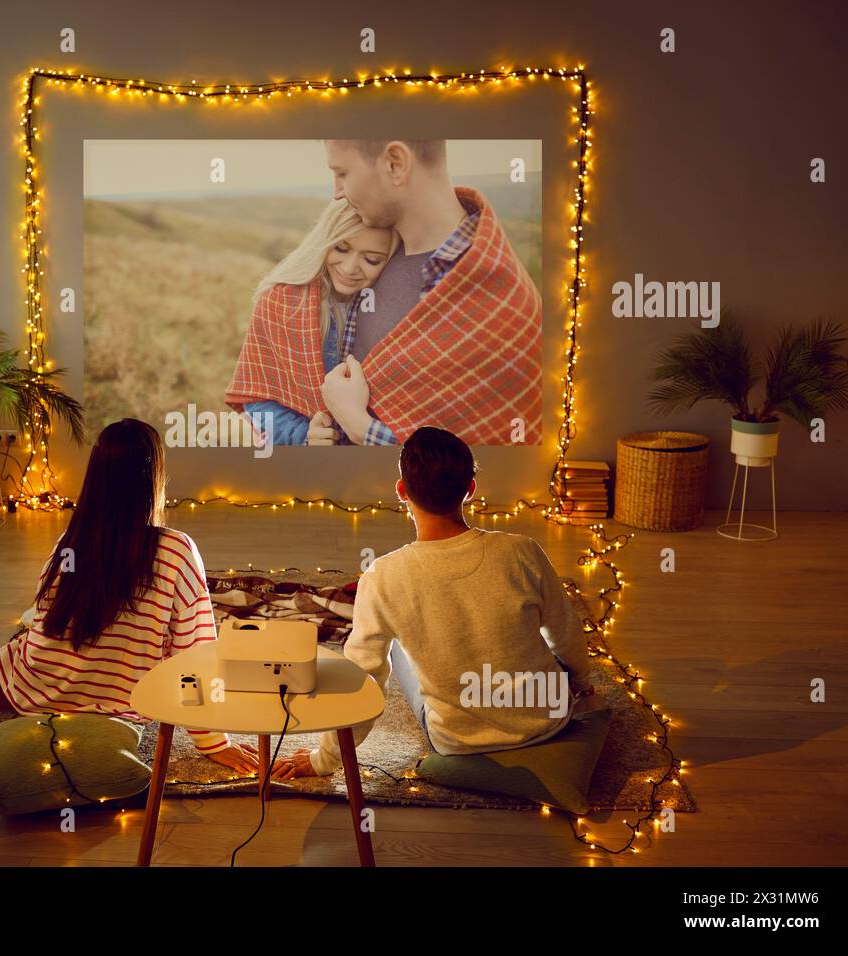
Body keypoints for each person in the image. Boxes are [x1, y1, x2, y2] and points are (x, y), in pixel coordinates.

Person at [0, 418, 260, 775]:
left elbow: (45, 615)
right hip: (121, 702)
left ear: (96, 477)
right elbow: (193, 653)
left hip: (42, 691)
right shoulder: (177, 550)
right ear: (154, 479)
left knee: (15, 650)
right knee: (35, 649)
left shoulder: (72, 539)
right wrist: (212, 742)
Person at [271, 426, 596, 779]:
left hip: (459, 741)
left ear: (401, 491)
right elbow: (565, 634)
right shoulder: (522, 551)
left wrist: (324, 760)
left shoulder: (383, 577)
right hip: (549, 720)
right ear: (470, 489)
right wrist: (581, 684)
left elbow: (363, 681)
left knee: (395, 650)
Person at [227, 139, 543, 447]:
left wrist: (360, 427)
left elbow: (482, 465)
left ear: (395, 163)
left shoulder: (504, 302)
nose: (337, 191)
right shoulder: (373, 252)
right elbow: (264, 394)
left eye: (343, 173)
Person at [227, 197, 398, 445]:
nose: (350, 268)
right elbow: (258, 401)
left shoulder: (393, 310)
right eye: (341, 248)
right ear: (324, 241)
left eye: (371, 260)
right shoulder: (280, 301)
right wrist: (305, 435)